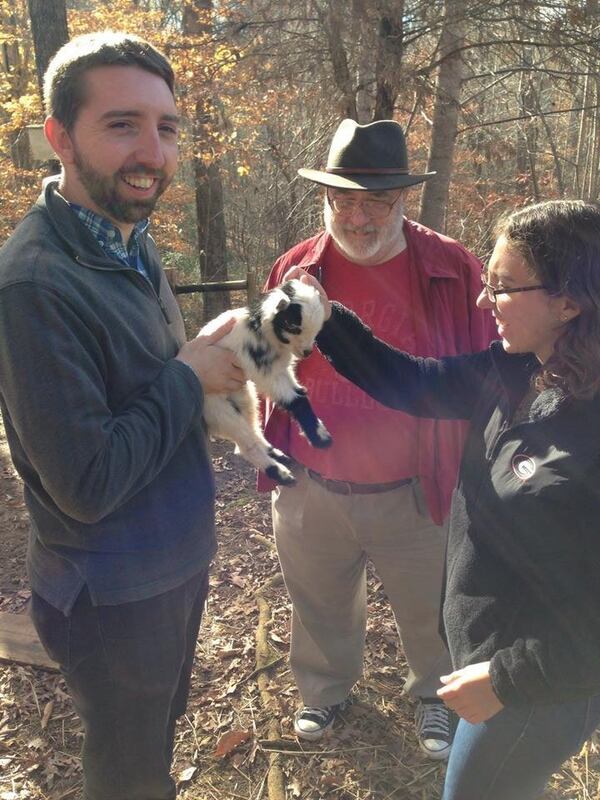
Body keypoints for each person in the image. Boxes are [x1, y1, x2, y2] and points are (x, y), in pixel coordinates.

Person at [0, 32, 244, 800]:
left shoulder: (130, 242)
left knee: (156, 735)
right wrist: (188, 374)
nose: (152, 150)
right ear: (60, 136)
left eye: (166, 127)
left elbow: (147, 388)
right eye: (122, 124)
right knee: (129, 770)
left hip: (171, 559)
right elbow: (86, 480)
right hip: (110, 592)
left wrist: (213, 381)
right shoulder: (35, 285)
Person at [290, 198, 600, 800]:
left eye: (504, 287)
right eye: (487, 281)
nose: (484, 301)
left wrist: (506, 681)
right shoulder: (517, 368)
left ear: (568, 301)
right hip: (486, 666)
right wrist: (328, 319)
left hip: (538, 689)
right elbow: (413, 382)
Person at [259, 118, 495, 757]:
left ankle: (437, 701)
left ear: (403, 200)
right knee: (319, 603)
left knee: (434, 609)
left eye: (375, 202)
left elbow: (488, 374)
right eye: (343, 200)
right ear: (326, 198)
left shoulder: (452, 269)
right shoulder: (297, 267)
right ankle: (326, 691)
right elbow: (270, 361)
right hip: (312, 482)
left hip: (419, 487)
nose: (357, 218)